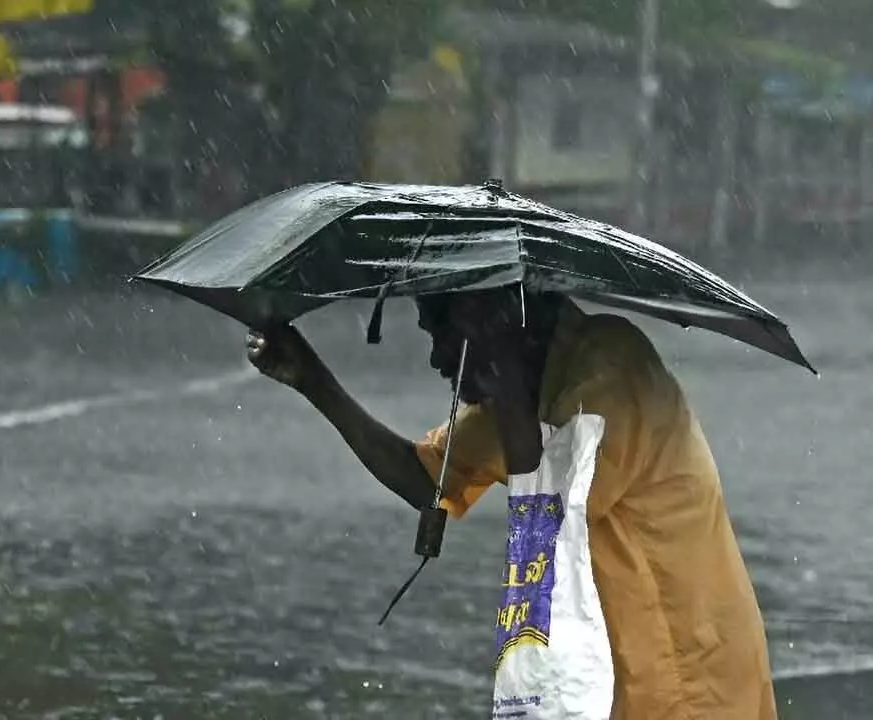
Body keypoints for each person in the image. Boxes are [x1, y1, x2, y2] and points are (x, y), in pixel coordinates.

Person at [245, 286, 776, 719]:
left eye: (445, 336)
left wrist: (502, 378)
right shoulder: (523, 387)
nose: (436, 358)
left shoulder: (613, 370)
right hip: (612, 684)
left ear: (500, 320)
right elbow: (426, 478)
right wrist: (315, 382)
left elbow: (552, 513)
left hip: (694, 680)